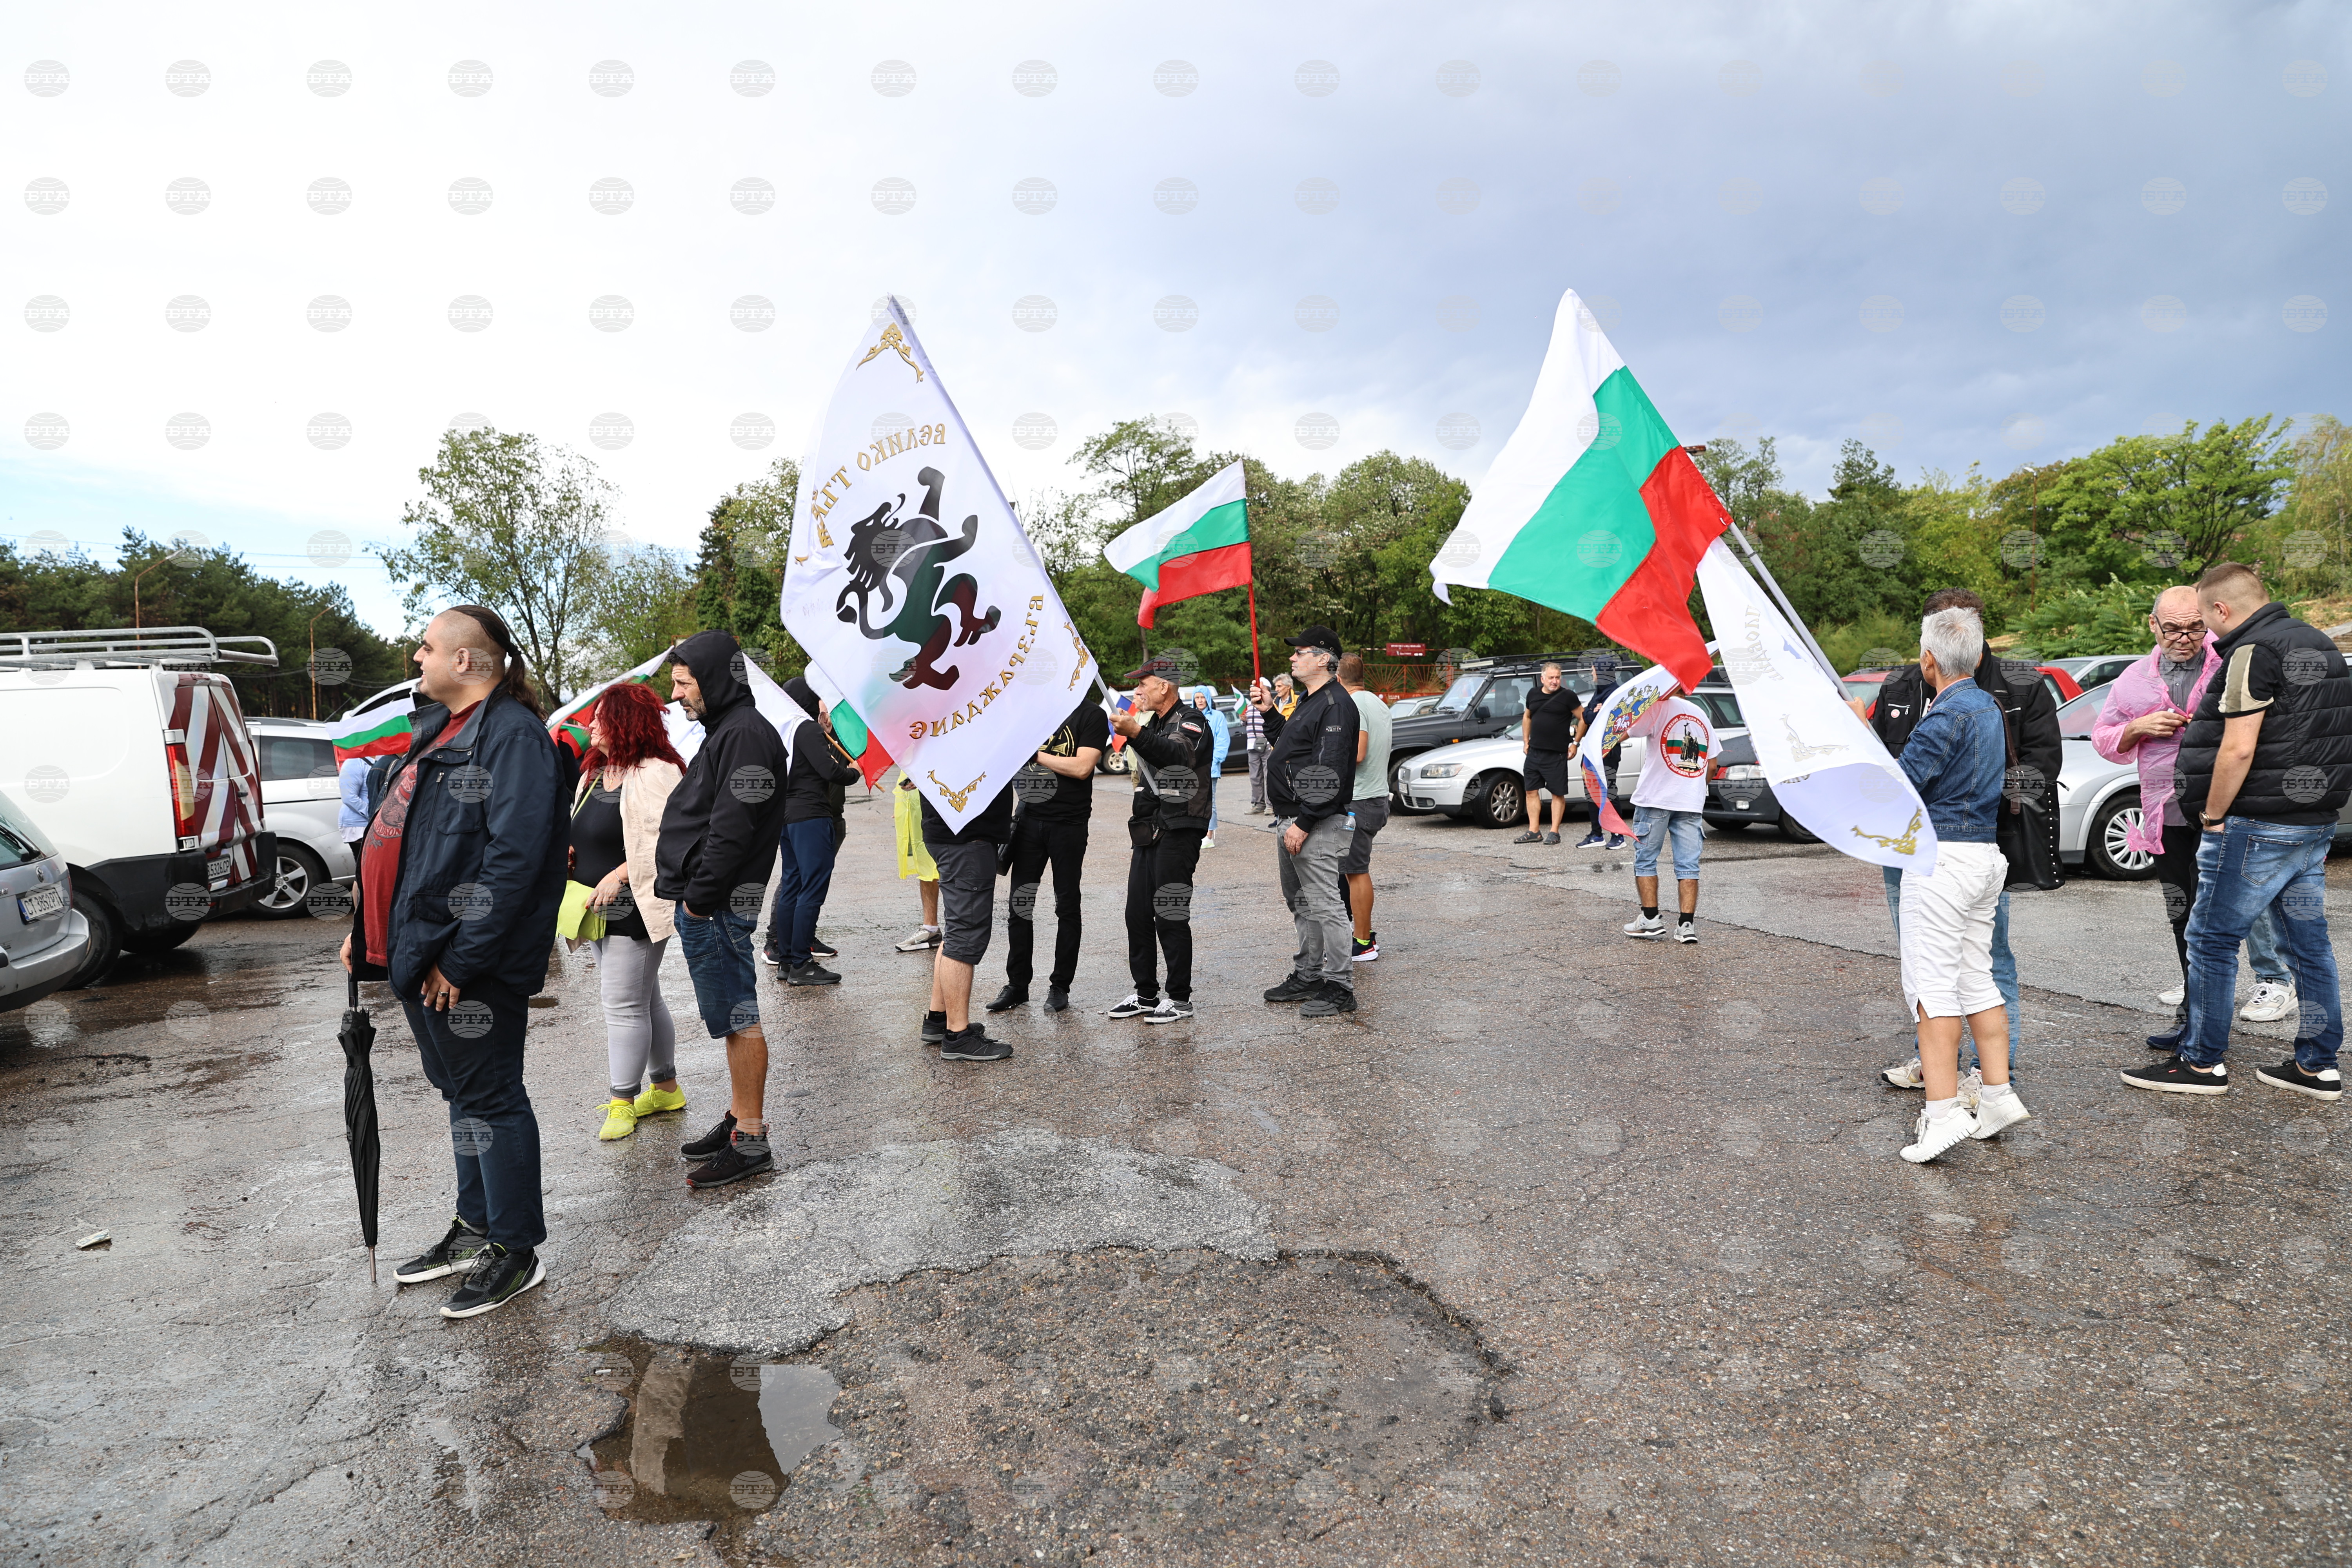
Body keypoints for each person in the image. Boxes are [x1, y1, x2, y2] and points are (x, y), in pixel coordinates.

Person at [345, 605, 567, 1319]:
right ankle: (476, 1229)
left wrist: (464, 961)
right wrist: (365, 926)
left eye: (428, 646)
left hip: (468, 966)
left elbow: (512, 861)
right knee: (463, 1095)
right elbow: (405, 840)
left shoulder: (512, 737)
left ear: (466, 662)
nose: (418, 657)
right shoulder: (443, 729)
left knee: (494, 1098)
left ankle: (515, 1249)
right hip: (418, 954)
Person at [2125, 562, 2352, 1102]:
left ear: (2222, 610)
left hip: (2257, 823)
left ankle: (2201, 1064)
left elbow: (2240, 746)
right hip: (2313, 823)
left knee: (2210, 938)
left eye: (2204, 618)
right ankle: (2317, 1065)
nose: (2204, 631)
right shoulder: (2319, 643)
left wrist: (2213, 816)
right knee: (2308, 943)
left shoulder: (2253, 652)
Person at [1867, 588, 2059, 1096]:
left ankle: (1989, 1078)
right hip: (1905, 853)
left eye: (1958, 626)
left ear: (1975, 637)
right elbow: (1878, 759)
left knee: (1987, 963)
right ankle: (1942, 1067)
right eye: (1938, 627)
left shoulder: (2018, 686)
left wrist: (1974, 808)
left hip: (1967, 849)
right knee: (1927, 960)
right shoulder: (1902, 685)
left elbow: (2040, 768)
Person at [2092, 587, 2296, 1047]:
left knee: (2238, 914)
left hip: (2230, 812)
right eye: (2173, 629)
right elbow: (2103, 737)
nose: (2184, 638)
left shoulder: (2232, 663)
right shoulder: (2132, 680)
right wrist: (2137, 728)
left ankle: (2272, 988)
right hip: (2167, 818)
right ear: (2153, 626)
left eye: (2194, 627)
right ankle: (2194, 1017)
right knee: (2185, 919)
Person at [1889, 607, 2033, 1161]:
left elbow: (1901, 789)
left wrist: (1860, 733)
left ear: (1928, 659)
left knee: (1933, 989)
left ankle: (1941, 1113)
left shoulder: (1946, 714)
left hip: (1942, 861)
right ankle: (1996, 1095)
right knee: (1977, 977)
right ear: (1976, 656)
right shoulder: (1990, 706)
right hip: (1983, 857)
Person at [655, 632, 792, 1187]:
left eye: (685, 683)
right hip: (712, 903)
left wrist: (697, 902)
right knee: (732, 1018)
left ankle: (752, 1139)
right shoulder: (731, 731)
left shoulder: (745, 735)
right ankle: (739, 1117)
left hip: (717, 906)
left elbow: (732, 831)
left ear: (714, 679)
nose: (677, 695)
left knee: (740, 1017)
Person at [572, 681, 687, 1142]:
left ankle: (623, 1101)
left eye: (601, 716)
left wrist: (619, 873)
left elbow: (669, 841)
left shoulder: (657, 771)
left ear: (625, 721)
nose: (592, 724)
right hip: (593, 908)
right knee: (646, 999)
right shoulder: (595, 773)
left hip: (635, 907)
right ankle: (667, 1089)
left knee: (621, 1006)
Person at [1252, 627, 1363, 1016]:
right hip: (1293, 819)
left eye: (1300, 652)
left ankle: (1340, 986)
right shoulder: (1310, 700)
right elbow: (1290, 748)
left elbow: (1329, 772)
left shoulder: (1335, 704)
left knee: (1325, 905)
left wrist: (1304, 821)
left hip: (1313, 822)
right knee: (1302, 903)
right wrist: (1269, 712)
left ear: (1323, 659)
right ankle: (1309, 973)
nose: (1292, 658)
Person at [1108, 658, 1217, 1023]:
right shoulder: (1152, 723)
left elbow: (1177, 756)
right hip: (1149, 828)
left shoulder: (1192, 720)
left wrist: (1137, 734)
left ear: (1165, 687)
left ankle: (1180, 998)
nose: (1137, 691)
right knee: (1137, 913)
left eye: (1144, 684)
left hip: (1180, 825)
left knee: (1169, 912)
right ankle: (1145, 994)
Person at [988, 695, 1107, 1014]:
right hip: (1028, 821)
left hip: (1068, 824)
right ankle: (1017, 985)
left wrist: (1038, 755)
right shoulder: (1035, 710)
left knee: (1067, 906)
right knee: (1019, 906)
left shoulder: (1091, 715)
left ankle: (1060, 987)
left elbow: (1083, 767)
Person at [761, 676, 861, 986]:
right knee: (812, 888)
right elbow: (830, 771)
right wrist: (855, 772)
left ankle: (788, 960)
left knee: (793, 884)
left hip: (787, 816)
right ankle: (803, 963)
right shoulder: (806, 728)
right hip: (811, 815)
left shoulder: (781, 729)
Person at [916, 777, 1017, 1060]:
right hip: (964, 837)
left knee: (957, 932)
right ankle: (957, 1036)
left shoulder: (939, 733)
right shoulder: (959, 734)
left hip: (954, 833)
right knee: (966, 936)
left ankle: (939, 1019)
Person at [1617, 680, 1721, 944]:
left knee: (1646, 859)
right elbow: (1713, 765)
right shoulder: (1700, 715)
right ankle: (1687, 926)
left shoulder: (1657, 708)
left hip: (1656, 798)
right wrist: (1694, 788)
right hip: (1690, 802)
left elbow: (1622, 734)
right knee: (1688, 866)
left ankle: (1650, 920)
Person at [1336, 654, 1391, 961]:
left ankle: (1364, 942)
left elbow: (1358, 753)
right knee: (1351, 871)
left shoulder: (1354, 705)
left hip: (1361, 799)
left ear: (1339, 679)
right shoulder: (1379, 702)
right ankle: (1363, 934)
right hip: (1376, 796)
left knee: (1356, 871)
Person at [1515, 662, 1583, 846]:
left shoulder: (1568, 696)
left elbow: (1583, 718)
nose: (1555, 681)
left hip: (1557, 754)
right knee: (1531, 791)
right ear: (1543, 679)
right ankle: (1534, 831)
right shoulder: (1533, 694)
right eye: (1552, 678)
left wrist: (1576, 743)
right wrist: (1526, 741)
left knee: (1557, 793)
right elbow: (1527, 716)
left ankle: (1554, 832)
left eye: (1558, 678)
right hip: (1535, 752)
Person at [1571, 655, 1628, 849]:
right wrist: (1595, 712)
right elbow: (1586, 717)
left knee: (1609, 790)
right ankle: (1597, 834)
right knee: (1592, 791)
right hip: (1592, 750)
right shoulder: (1600, 692)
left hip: (1608, 751)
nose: (1592, 673)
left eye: (1595, 669)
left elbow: (1612, 720)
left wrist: (1597, 713)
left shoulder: (1615, 693)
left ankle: (1618, 835)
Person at [891, 774, 944, 952]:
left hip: (942, 798)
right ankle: (931, 927)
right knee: (925, 865)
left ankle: (962, 929)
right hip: (913, 801)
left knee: (947, 863)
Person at [1192, 687, 1231, 846]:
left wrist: (1214, 761)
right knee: (1195, 801)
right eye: (1197, 697)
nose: (1200, 700)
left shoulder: (1218, 716)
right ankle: (1198, 833)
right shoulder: (1191, 716)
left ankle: (1209, 835)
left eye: (1203, 697)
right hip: (1193, 767)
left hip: (1210, 767)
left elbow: (1223, 741)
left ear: (1208, 698)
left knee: (1210, 802)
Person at [1242, 684, 1271, 814]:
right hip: (1252, 744)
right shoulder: (1248, 705)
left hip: (1266, 743)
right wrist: (1243, 720)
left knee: (1269, 775)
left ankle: (1271, 805)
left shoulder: (1269, 702)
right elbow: (1246, 724)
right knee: (1255, 776)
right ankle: (1259, 804)